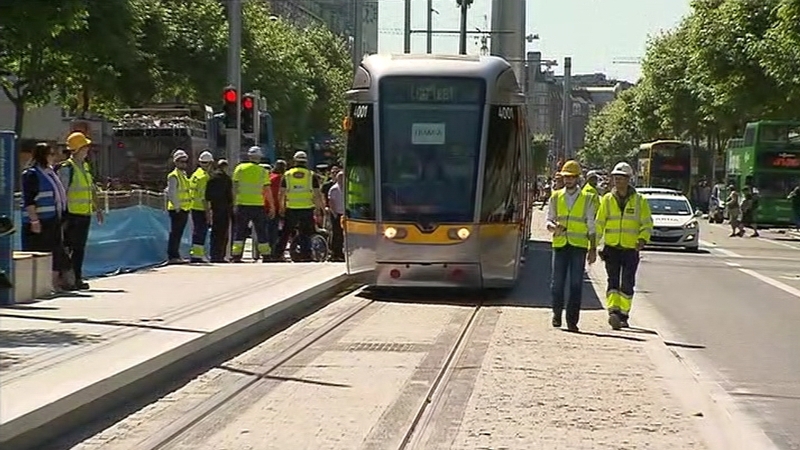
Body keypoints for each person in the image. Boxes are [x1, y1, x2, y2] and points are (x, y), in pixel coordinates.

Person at [595, 161, 653, 330]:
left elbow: (647, 223)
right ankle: (613, 311)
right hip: (612, 248)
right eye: (616, 178)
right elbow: (600, 223)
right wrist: (597, 245)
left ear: (629, 179)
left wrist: (642, 239)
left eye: (621, 178)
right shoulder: (607, 200)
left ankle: (624, 315)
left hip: (630, 249)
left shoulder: (639, 201)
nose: (618, 181)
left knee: (627, 283)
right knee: (612, 281)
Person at [546, 160, 597, 332]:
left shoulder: (587, 199)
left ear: (577, 178)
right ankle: (557, 314)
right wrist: (553, 227)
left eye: (571, 177)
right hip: (560, 244)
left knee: (576, 284)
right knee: (557, 283)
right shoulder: (555, 196)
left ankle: (572, 320)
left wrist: (593, 248)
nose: (568, 180)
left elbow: (591, 224)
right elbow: (549, 219)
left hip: (578, 246)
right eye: (565, 177)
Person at [20, 142, 72, 291]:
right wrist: (34, 220)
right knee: (38, 252)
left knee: (55, 252)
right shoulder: (31, 174)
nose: (54, 158)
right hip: (39, 221)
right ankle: (36, 286)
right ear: (43, 156)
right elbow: (29, 200)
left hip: (52, 219)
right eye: (51, 154)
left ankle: (53, 284)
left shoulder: (50, 173)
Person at [58, 132, 104, 290]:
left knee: (79, 249)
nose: (87, 150)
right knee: (70, 248)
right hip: (71, 215)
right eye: (85, 147)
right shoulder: (67, 168)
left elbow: (91, 189)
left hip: (84, 213)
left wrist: (97, 208)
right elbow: (62, 192)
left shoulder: (84, 167)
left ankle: (76, 278)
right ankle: (69, 279)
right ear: (76, 149)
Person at [277, 151, 323, 262]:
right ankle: (305, 255)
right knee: (306, 233)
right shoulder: (311, 175)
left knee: (286, 232)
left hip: (291, 208)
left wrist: (281, 207)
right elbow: (317, 194)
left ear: (294, 161)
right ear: (306, 162)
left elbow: (281, 193)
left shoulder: (287, 175)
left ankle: (277, 254)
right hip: (307, 208)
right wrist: (318, 209)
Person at [231, 146, 274, 262]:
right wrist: (272, 206)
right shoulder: (262, 171)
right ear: (259, 158)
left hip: (242, 205)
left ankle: (236, 255)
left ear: (249, 156)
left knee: (240, 231)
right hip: (258, 205)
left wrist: (234, 203)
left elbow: (234, 188)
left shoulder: (239, 168)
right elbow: (267, 190)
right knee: (261, 231)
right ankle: (266, 255)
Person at [165, 149, 191, 264]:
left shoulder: (184, 175)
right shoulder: (173, 176)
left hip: (184, 209)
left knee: (178, 233)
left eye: (185, 161)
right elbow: (172, 193)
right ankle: (173, 256)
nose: (183, 164)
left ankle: (176, 255)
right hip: (177, 210)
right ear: (175, 162)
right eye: (181, 161)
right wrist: (177, 207)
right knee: (175, 234)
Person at [206, 159, 233, 262]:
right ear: (225, 167)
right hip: (224, 208)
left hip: (214, 207)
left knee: (215, 233)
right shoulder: (226, 179)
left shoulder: (211, 178)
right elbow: (229, 195)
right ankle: (220, 255)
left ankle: (214, 255)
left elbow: (207, 195)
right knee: (223, 233)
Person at [188, 150, 214, 263]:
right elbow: (204, 198)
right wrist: (208, 214)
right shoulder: (204, 177)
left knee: (196, 231)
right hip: (200, 208)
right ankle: (197, 256)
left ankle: (195, 254)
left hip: (193, 206)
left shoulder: (195, 174)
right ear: (210, 163)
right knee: (201, 232)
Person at [267, 159, 287, 260]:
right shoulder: (281, 179)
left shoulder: (269, 176)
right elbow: (281, 194)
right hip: (277, 206)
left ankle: (268, 252)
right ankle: (275, 253)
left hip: (266, 206)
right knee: (274, 232)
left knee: (268, 231)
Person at [327, 171, 345, 261]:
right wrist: (334, 213)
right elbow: (331, 202)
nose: (342, 179)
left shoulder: (346, 188)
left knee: (343, 234)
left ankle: (341, 251)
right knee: (336, 233)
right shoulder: (334, 189)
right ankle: (335, 252)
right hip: (337, 214)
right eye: (341, 177)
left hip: (345, 213)